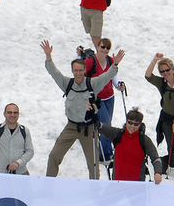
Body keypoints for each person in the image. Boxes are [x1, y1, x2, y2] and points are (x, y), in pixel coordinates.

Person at [40, 39, 124, 180]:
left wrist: (115, 64)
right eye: (75, 70)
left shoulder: (92, 83)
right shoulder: (67, 83)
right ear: (72, 71)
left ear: (85, 70)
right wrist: (48, 56)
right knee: (54, 156)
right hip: (71, 127)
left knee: (93, 165)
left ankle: (94, 188)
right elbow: (54, 72)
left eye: (80, 70)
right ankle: (49, 183)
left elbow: (107, 76)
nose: (78, 73)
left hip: (88, 129)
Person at [79, 39, 119, 161]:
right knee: (105, 125)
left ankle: (105, 149)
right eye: (103, 47)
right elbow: (80, 76)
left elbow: (113, 76)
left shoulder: (110, 60)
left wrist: (119, 85)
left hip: (110, 97)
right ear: (98, 47)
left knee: (107, 123)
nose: (105, 50)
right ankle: (105, 154)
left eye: (107, 48)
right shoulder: (90, 61)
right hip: (96, 99)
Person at [98, 109, 164, 182]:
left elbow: (155, 158)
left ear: (140, 124)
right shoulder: (117, 134)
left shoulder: (145, 140)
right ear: (126, 121)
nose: (132, 126)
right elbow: (101, 127)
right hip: (117, 183)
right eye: (130, 123)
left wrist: (158, 172)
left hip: (137, 184)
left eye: (136, 124)